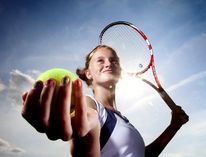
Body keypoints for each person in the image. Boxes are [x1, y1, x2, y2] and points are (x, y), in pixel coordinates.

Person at [21, 45, 189, 157]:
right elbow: (88, 118)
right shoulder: (90, 105)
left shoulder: (123, 121)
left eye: (114, 60)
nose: (108, 63)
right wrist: (85, 128)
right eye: (100, 60)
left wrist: (173, 127)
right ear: (88, 73)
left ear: (120, 71)